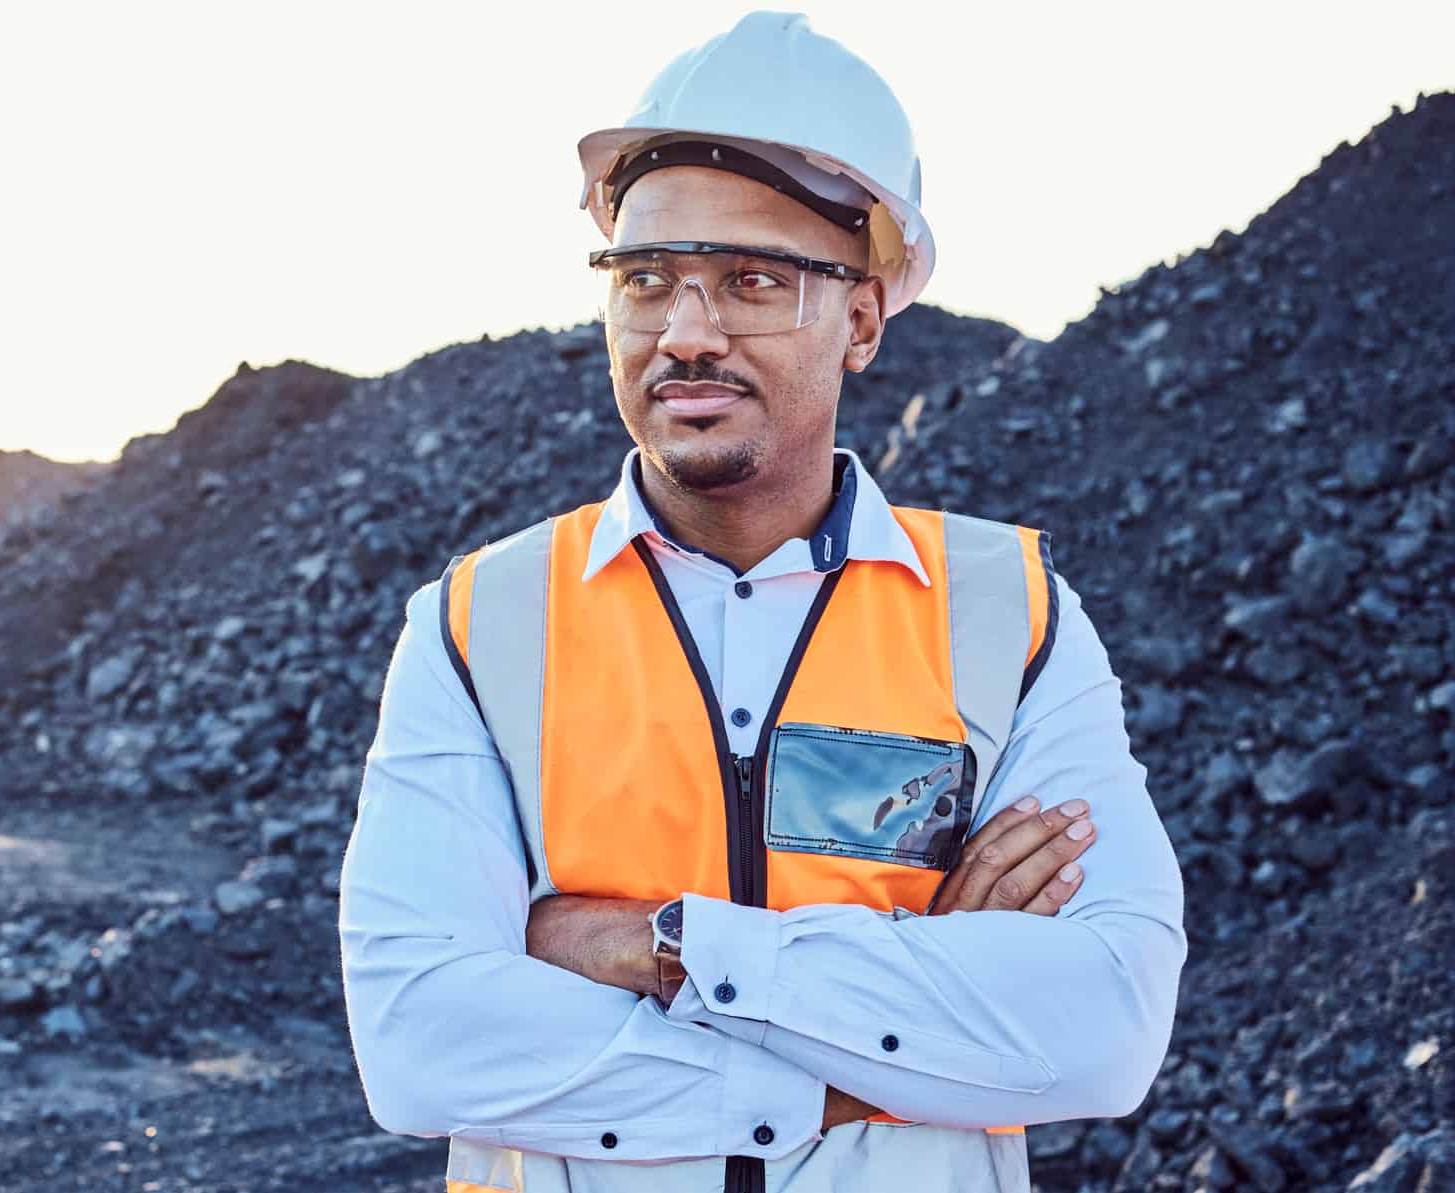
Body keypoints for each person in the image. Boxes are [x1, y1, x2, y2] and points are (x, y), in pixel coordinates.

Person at [337, 12, 1186, 1193]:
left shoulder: (1010, 618)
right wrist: (885, 1025)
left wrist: (655, 945)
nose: (686, 333)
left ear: (865, 317)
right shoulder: (483, 624)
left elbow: (1101, 1027)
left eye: (751, 281)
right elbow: (421, 1042)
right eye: (645, 281)